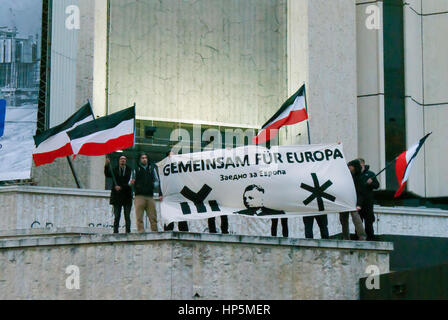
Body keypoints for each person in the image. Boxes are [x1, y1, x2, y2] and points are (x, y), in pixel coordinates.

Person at [130, 153, 160, 232]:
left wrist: (152, 185)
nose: (144, 159)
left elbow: (157, 181)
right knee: (139, 217)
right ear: (140, 159)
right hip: (139, 196)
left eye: (145, 158)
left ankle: (155, 233)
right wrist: (131, 183)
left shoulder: (152, 169)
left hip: (150, 196)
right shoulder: (136, 169)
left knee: (153, 217)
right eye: (142, 158)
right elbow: (130, 182)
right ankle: (141, 233)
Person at [339, 159, 367, 240]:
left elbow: (361, 193)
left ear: (354, 167)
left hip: (353, 202)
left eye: (350, 166)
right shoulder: (346, 176)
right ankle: (346, 237)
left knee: (356, 218)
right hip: (345, 200)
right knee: (343, 220)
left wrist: (359, 204)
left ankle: (362, 236)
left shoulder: (359, 178)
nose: (349, 168)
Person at [104, 155, 133, 234]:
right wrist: (106, 165)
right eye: (121, 159)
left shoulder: (129, 170)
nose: (123, 160)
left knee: (127, 216)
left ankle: (128, 231)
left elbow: (130, 183)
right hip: (117, 196)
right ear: (119, 160)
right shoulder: (114, 169)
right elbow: (107, 174)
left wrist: (121, 187)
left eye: (124, 159)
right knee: (117, 216)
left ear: (126, 161)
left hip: (127, 196)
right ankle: (115, 232)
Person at [163, 151, 189, 232]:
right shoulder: (163, 168)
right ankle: (167, 234)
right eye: (171, 155)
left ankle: (184, 235)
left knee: (182, 218)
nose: (173, 156)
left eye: (174, 155)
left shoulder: (181, 166)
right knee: (169, 218)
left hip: (181, 195)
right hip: (169, 196)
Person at [358, 158, 380, 241]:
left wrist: (371, 183)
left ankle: (370, 237)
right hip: (358, 202)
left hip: (368, 201)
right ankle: (359, 237)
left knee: (369, 221)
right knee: (358, 221)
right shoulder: (356, 175)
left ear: (363, 164)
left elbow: (377, 185)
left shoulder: (370, 174)